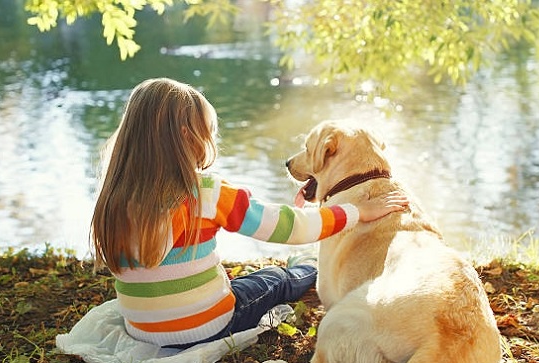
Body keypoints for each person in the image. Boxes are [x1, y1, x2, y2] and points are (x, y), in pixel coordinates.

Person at [91, 77, 409, 349]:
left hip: (142, 330)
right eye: (209, 132)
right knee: (274, 279)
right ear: (188, 137)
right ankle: (306, 269)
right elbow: (288, 227)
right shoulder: (206, 192)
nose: (212, 140)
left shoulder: (114, 195)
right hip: (207, 328)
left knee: (233, 280)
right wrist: (355, 211)